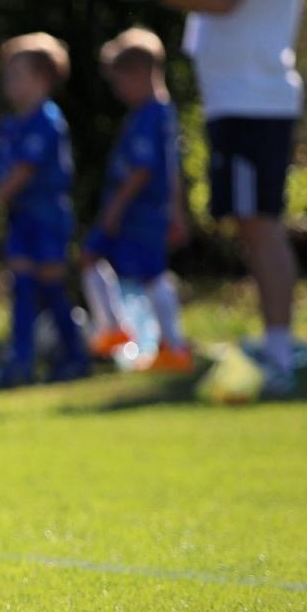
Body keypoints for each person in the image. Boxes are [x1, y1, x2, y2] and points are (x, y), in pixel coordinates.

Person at [107, 0, 304, 395]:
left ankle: (281, 352)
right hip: (236, 105)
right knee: (250, 224)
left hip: (255, 104)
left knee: (260, 225)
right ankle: (275, 343)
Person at [0, 33, 87, 388]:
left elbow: (23, 172)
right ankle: (20, 363)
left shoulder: (48, 121)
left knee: (51, 288)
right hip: (21, 218)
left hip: (48, 217)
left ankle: (75, 356)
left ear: (41, 79)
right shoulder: (10, 125)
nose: (9, 83)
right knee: (21, 287)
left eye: (17, 75)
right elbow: (4, 171)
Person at [80, 27, 193, 373]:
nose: (118, 90)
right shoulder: (157, 114)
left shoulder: (152, 115)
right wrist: (178, 210)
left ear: (141, 73)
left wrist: (116, 207)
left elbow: (144, 171)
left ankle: (171, 344)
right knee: (93, 256)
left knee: (151, 275)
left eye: (121, 81)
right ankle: (116, 329)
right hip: (140, 211)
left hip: (138, 212)